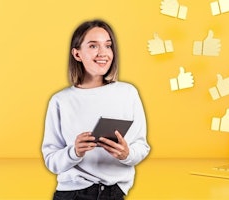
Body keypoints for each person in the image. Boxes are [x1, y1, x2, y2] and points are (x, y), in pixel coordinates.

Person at [41, 19, 150, 200]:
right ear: (77, 54)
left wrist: (126, 154)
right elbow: (51, 161)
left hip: (114, 193)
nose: (103, 53)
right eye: (93, 46)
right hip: (72, 194)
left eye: (108, 46)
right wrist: (74, 151)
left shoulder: (128, 93)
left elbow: (141, 147)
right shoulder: (60, 101)